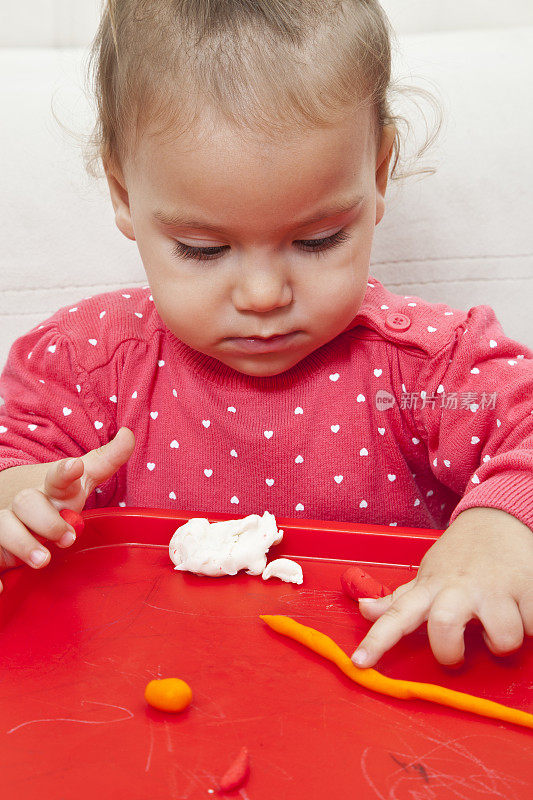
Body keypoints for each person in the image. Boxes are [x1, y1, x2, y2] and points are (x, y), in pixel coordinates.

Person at [0, 0, 531, 672]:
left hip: (382, 721)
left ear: (374, 178)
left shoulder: (425, 374)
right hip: (146, 710)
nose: (261, 296)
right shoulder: (87, 365)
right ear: (124, 194)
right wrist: (18, 506)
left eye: (316, 240)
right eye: (201, 248)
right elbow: (18, 463)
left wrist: (502, 528)